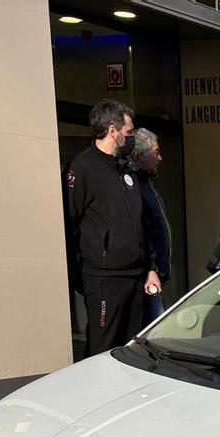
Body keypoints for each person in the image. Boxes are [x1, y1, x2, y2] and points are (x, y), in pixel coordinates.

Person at [64, 99, 158, 356]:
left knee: (131, 350)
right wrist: (82, 275)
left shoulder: (126, 169)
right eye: (128, 132)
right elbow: (71, 225)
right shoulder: (81, 168)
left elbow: (142, 223)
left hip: (136, 277)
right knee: (103, 349)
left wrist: (150, 268)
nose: (131, 137)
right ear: (112, 131)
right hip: (104, 279)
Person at [131, 128, 171, 321]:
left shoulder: (147, 185)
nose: (160, 158)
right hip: (148, 277)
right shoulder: (134, 188)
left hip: (158, 274)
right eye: (156, 152)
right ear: (139, 158)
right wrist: (151, 268)